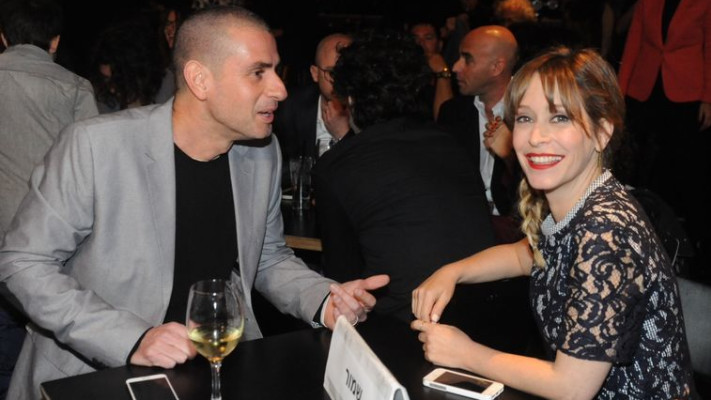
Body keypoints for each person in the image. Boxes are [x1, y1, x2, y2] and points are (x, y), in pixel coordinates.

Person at [0, 7, 387, 399]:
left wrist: (324, 299)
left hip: (210, 370)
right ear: (200, 79)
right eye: (258, 72)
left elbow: (267, 258)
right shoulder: (97, 146)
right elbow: (23, 264)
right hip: (90, 377)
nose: (280, 89)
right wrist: (132, 339)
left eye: (275, 70)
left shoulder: (261, 153)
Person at [411, 47, 696, 399]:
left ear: (602, 132)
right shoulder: (580, 201)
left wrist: (464, 353)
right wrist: (453, 271)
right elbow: (528, 254)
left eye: (559, 117)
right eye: (525, 118)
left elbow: (572, 387)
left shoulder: (606, 230)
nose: (535, 137)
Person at [311, 28, 534, 355]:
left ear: (351, 100)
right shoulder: (450, 142)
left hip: (405, 333)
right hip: (494, 323)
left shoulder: (335, 167)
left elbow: (344, 282)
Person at [0, 0, 98, 397]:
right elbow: (94, 174)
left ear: (3, 36)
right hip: (47, 242)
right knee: (39, 343)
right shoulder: (76, 87)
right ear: (54, 41)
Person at [618, 0, 711, 277]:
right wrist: (618, 93)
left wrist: (708, 98)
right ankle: (632, 237)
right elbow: (633, 44)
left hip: (686, 94)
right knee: (636, 168)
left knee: (687, 171)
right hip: (644, 90)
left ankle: (696, 249)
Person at [437, 25, 522, 244]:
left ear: (496, 67)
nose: (455, 67)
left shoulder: (531, 111)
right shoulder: (453, 112)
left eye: (467, 59)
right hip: (462, 228)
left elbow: (540, 195)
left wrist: (510, 155)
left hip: (518, 234)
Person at [273, 32, 352, 162]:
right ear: (315, 74)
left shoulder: (375, 112)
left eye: (349, 71)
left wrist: (344, 135)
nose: (341, 80)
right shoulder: (288, 109)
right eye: (331, 73)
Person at [410, 21, 455, 120]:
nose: (420, 43)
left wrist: (442, 73)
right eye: (415, 38)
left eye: (428, 38)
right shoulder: (400, 78)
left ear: (439, 45)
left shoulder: (456, 79)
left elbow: (445, 119)